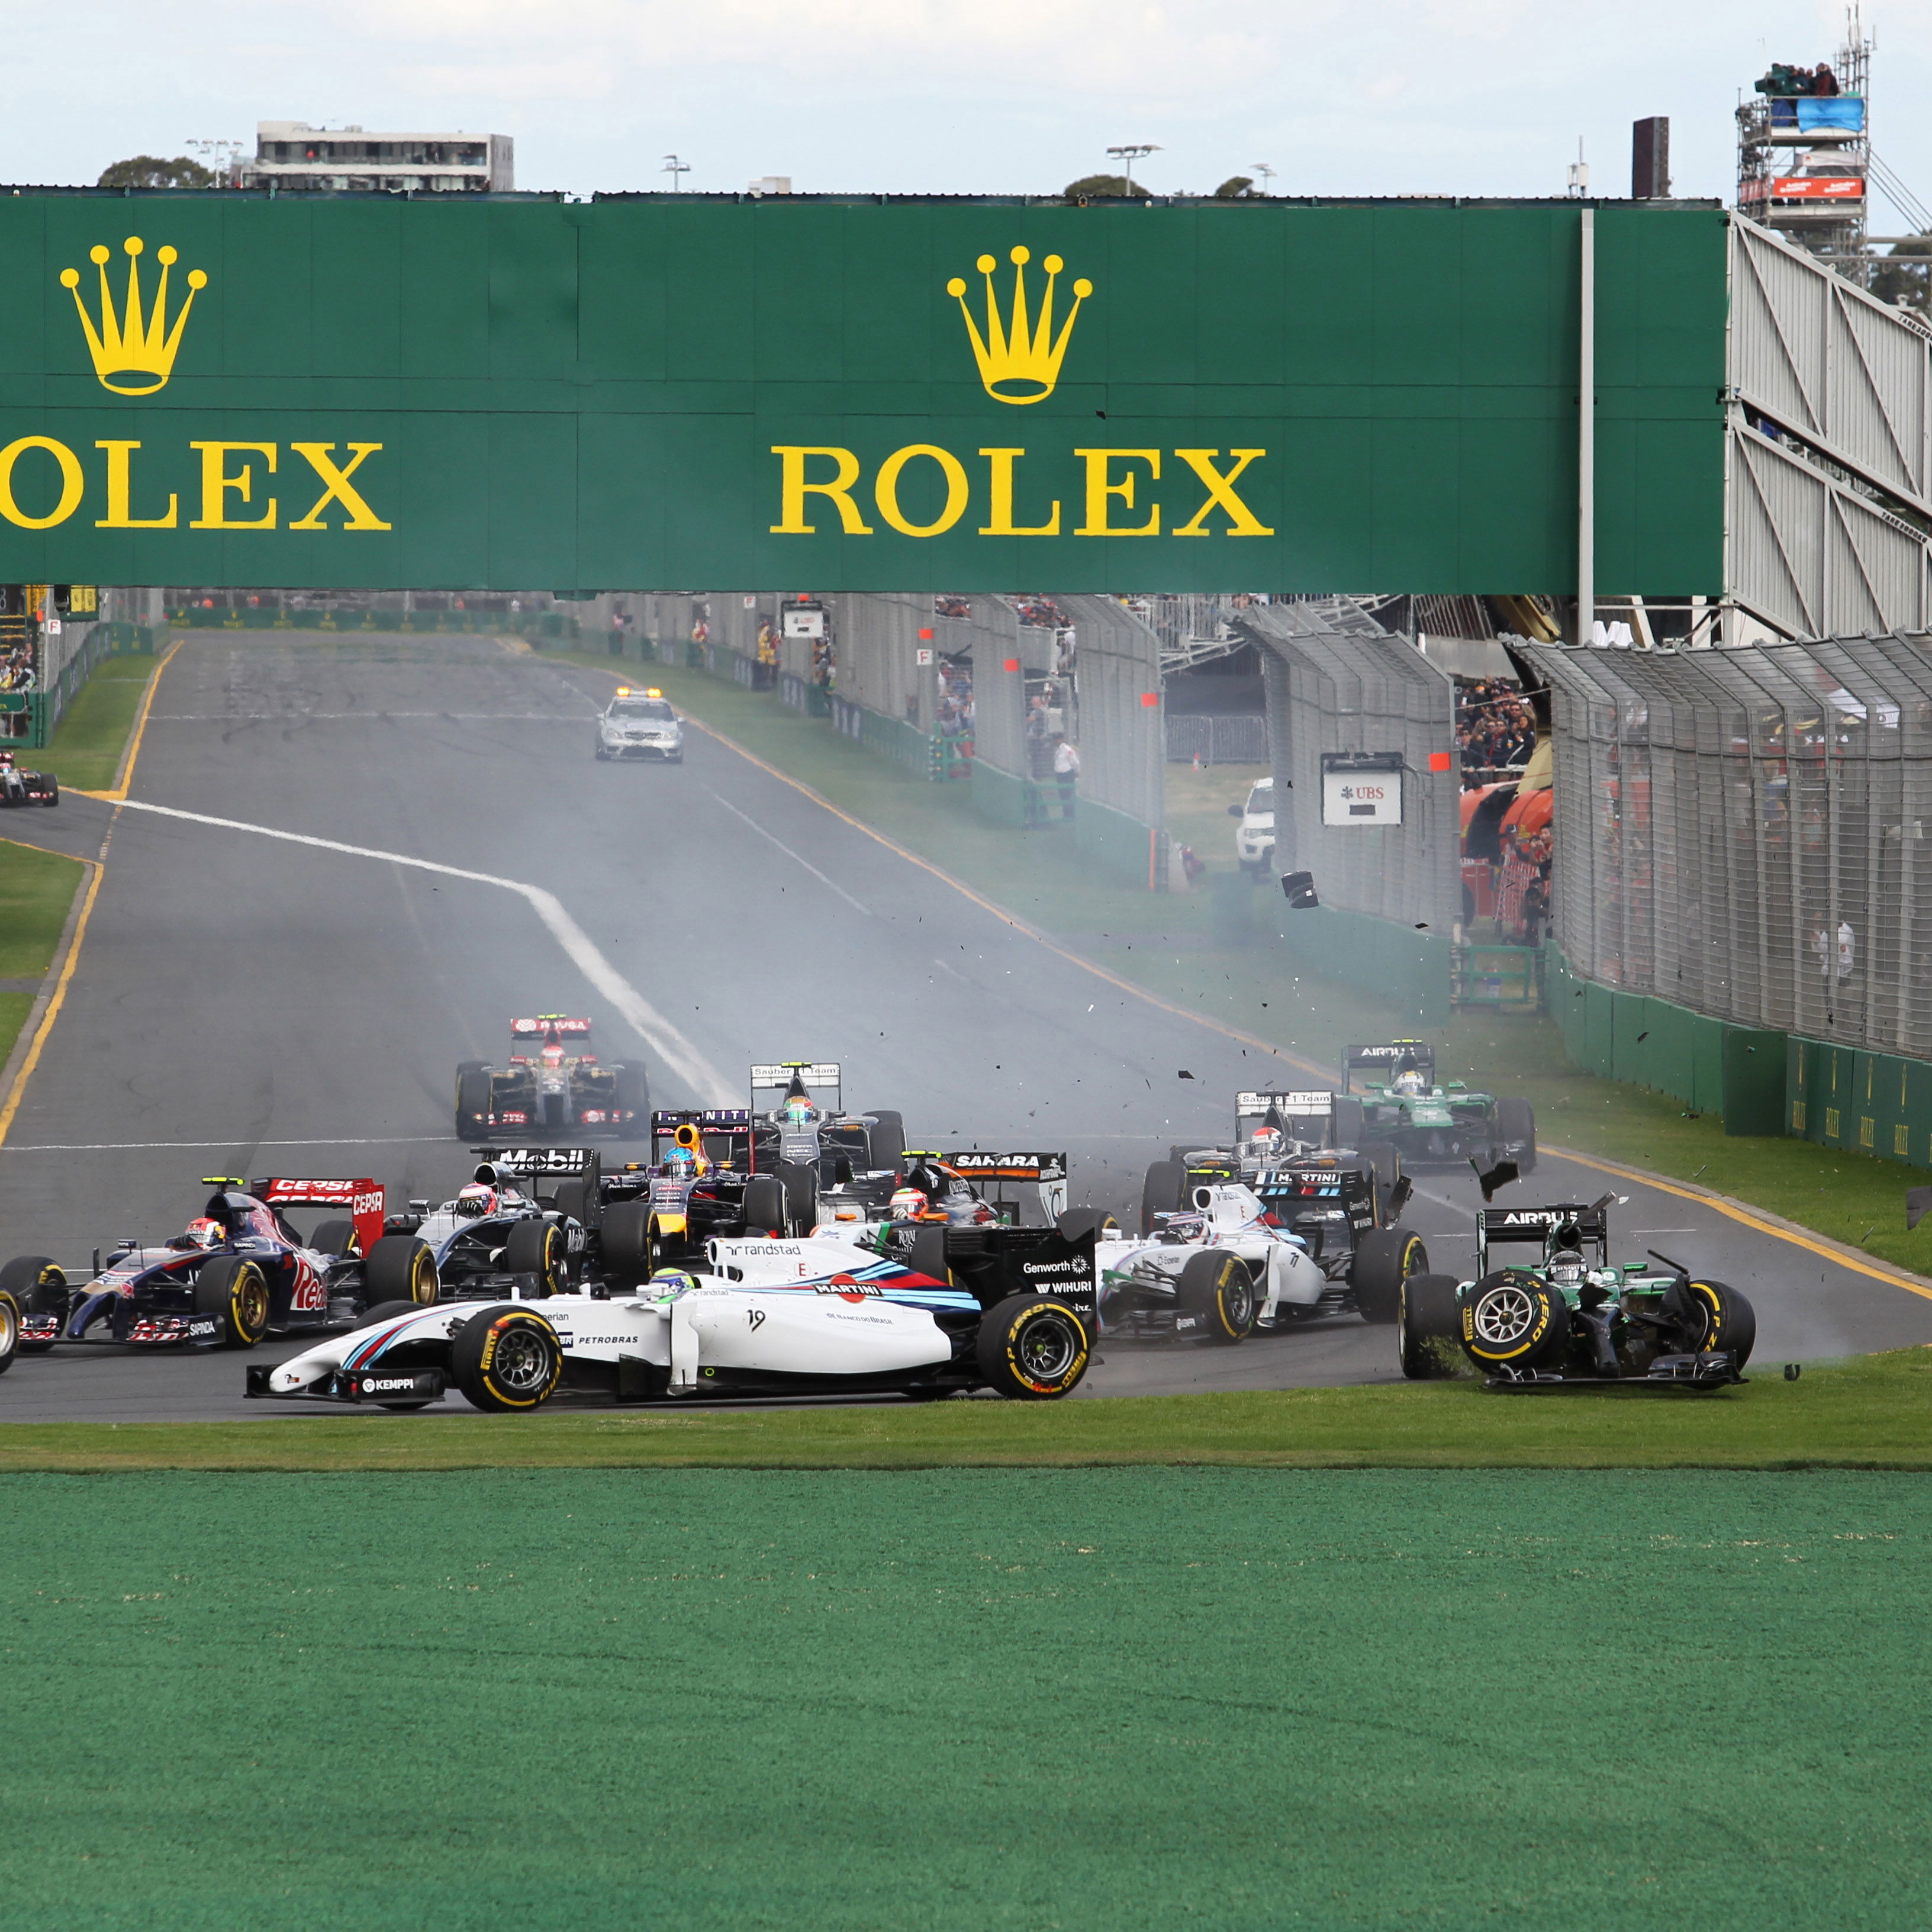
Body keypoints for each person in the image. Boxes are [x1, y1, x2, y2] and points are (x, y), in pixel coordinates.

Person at [1052, 732, 1080, 820]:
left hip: (1067, 774)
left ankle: (1070, 814)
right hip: (1060, 775)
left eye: (1059, 739)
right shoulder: (1057, 751)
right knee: (1062, 795)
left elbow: (1075, 762)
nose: (1057, 741)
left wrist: (1077, 771)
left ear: (1062, 739)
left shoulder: (1068, 749)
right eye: (1056, 739)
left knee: (1068, 795)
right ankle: (1066, 813)